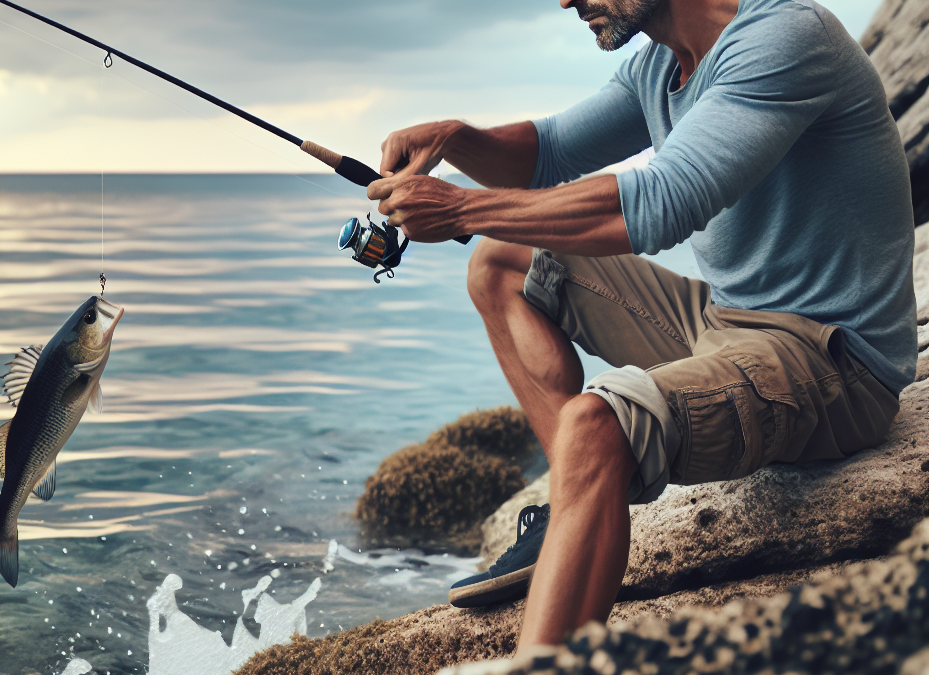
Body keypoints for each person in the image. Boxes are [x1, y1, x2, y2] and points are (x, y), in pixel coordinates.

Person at [367, 0, 918, 655]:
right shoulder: (659, 65)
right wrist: (459, 138)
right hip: (725, 323)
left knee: (597, 422)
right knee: (500, 261)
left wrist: (462, 208)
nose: (567, 1)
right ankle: (571, 507)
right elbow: (547, 153)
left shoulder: (787, 37)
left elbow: (663, 201)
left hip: (833, 362)